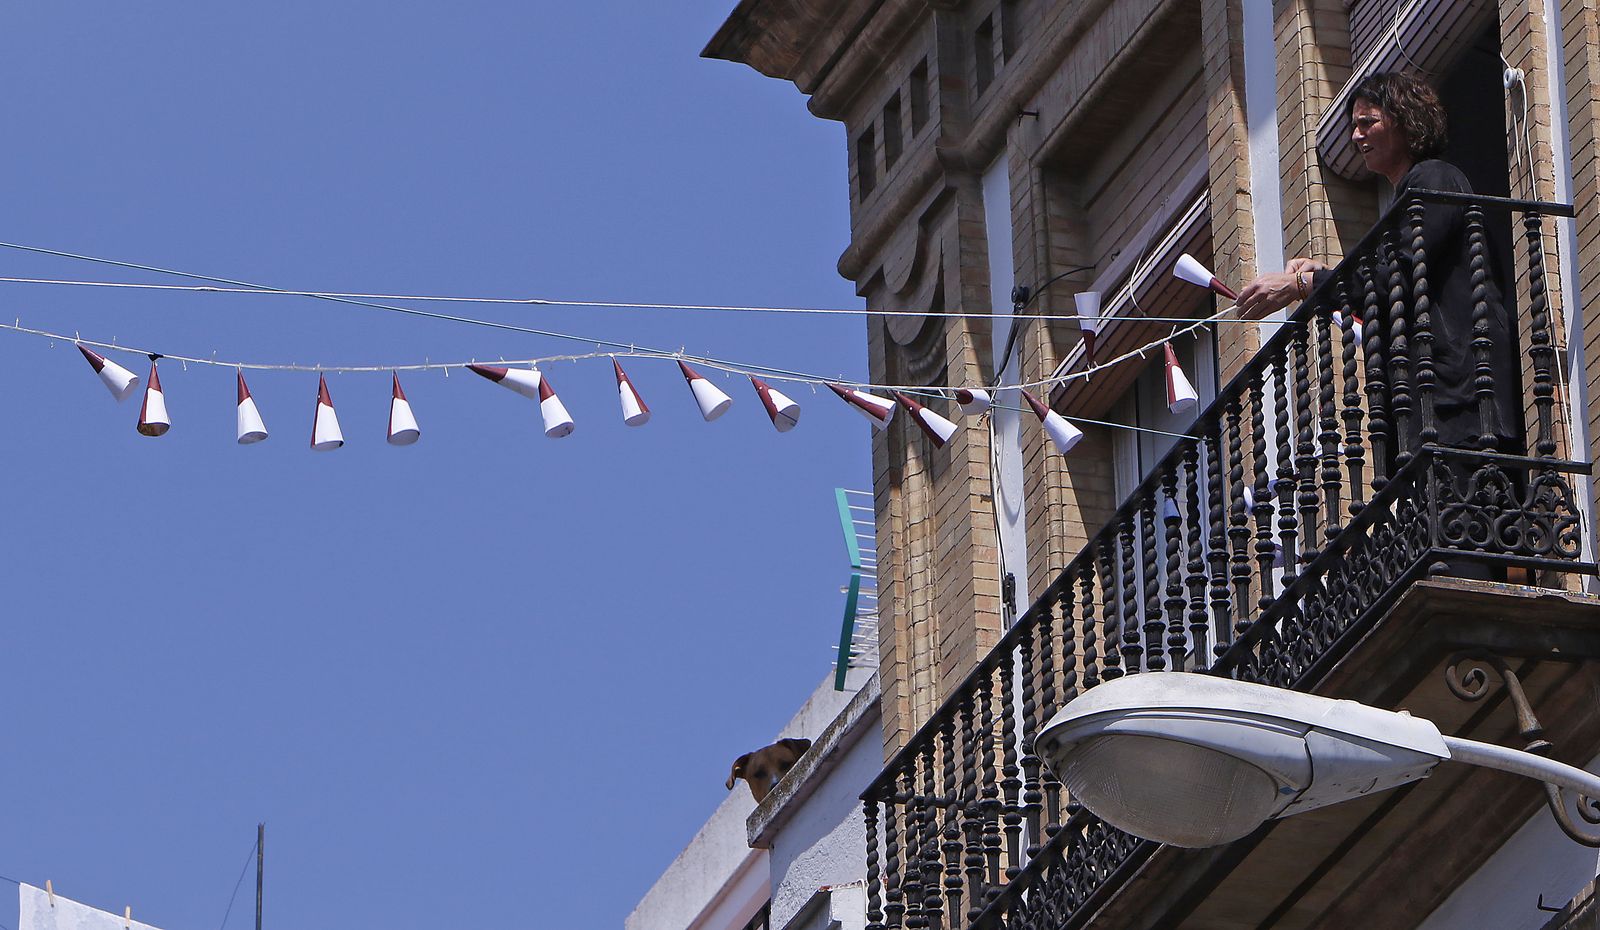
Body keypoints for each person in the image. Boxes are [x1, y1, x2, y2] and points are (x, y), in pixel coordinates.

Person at [1234, 71, 1520, 453]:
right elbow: (1387, 274)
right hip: (1441, 404)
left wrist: (1304, 285)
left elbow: (1393, 275)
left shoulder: (1435, 177)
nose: (1356, 137)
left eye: (1367, 123)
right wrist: (1323, 275)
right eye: (1354, 126)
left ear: (1404, 120)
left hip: (1463, 401)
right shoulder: (1412, 194)